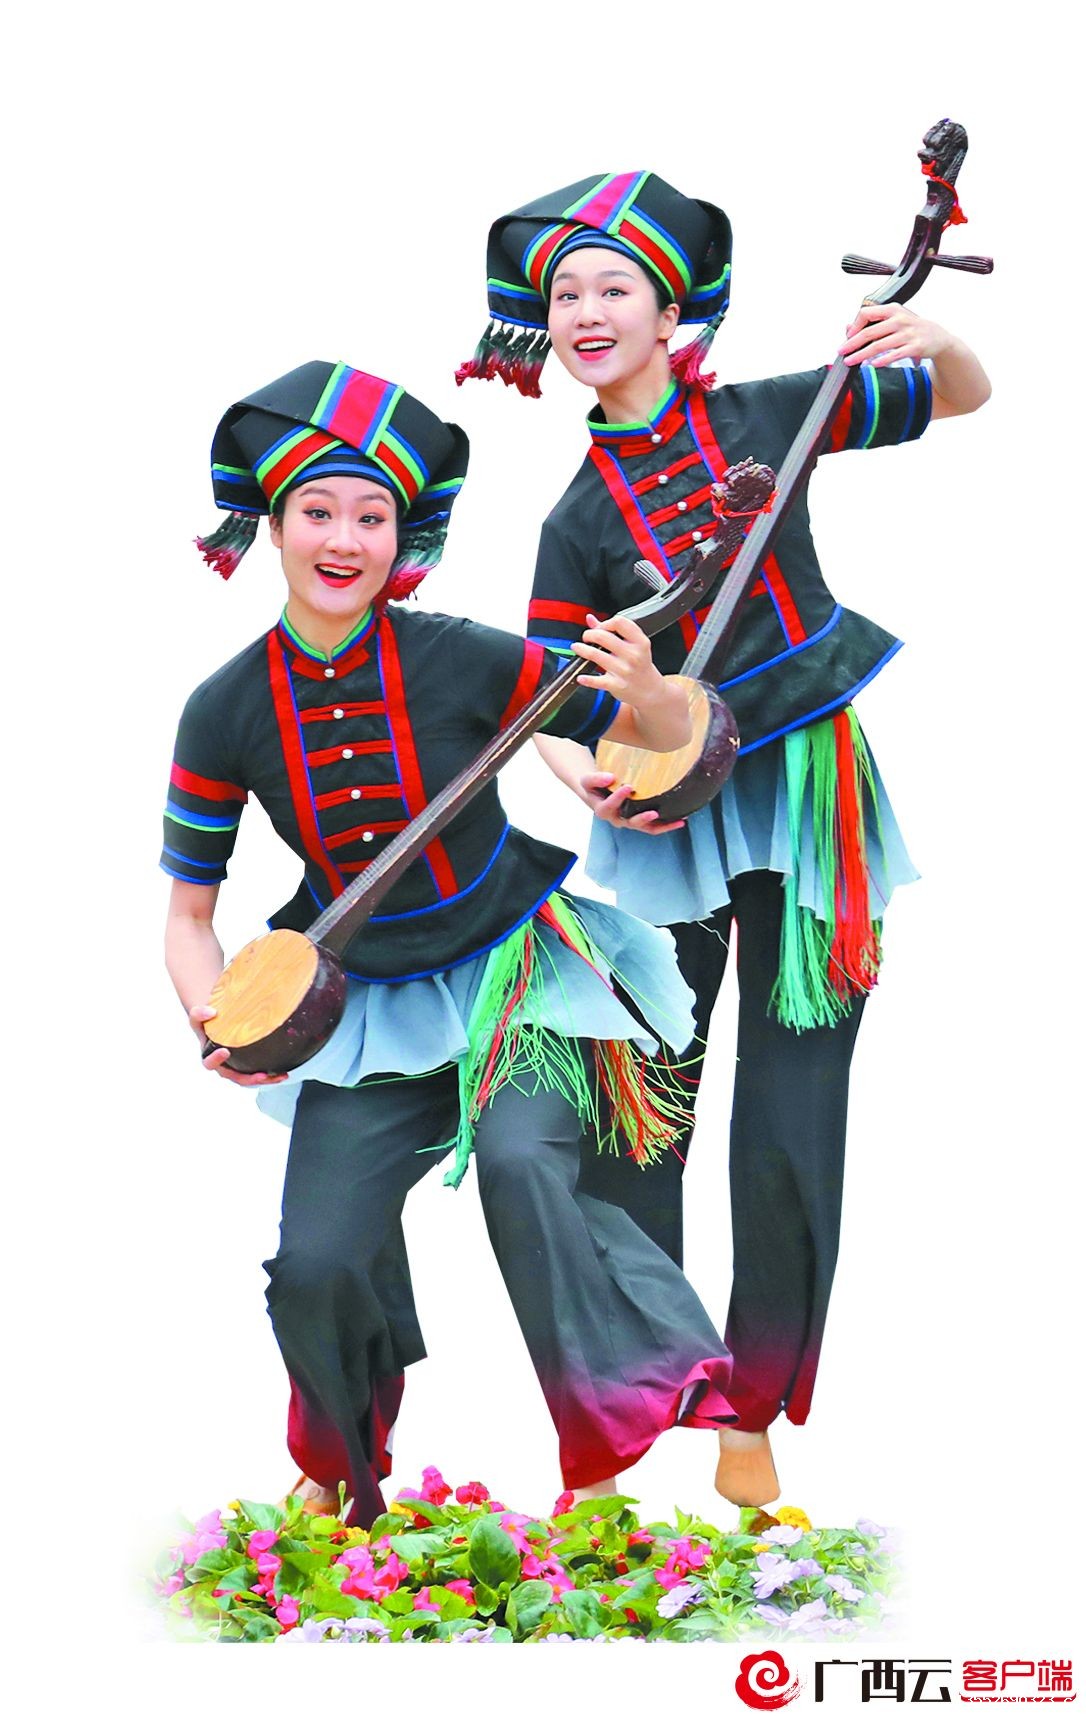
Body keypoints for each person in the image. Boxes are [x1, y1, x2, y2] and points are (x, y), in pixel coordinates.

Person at [457, 171, 990, 1505]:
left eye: (613, 286)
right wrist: (588, 771)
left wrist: (938, 338)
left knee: (796, 1101)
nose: (586, 311)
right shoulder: (576, 517)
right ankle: (650, 1392)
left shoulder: (770, 415)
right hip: (662, 806)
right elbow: (547, 696)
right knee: (645, 1103)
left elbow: (961, 397)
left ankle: (754, 1407)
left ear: (670, 307)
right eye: (564, 294)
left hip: (806, 786)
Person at [162, 359, 739, 1528]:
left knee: (527, 1165)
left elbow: (639, 729)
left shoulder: (464, 653)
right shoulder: (222, 709)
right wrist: (215, 1017)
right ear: (272, 524)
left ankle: (600, 1458)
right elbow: (188, 914)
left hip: (517, 976)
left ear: (401, 537)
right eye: (318, 512)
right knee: (317, 1263)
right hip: (357, 1007)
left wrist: (653, 691)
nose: (344, 539)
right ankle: (338, 1463)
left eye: (371, 517)